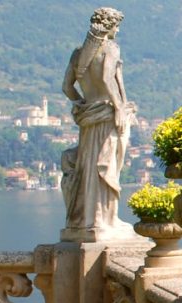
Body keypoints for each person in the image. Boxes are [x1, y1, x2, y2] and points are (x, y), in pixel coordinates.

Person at [61, 7, 136, 239]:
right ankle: (106, 220)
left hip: (89, 118)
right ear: (109, 25)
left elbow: (67, 87)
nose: (118, 29)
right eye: (116, 25)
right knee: (107, 166)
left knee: (89, 166)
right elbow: (106, 78)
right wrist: (120, 109)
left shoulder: (77, 54)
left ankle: (88, 220)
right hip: (107, 115)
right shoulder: (110, 48)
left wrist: (83, 104)